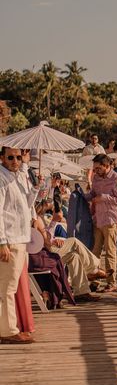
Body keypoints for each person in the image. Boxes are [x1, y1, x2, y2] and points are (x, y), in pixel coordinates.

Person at [34, 201, 104, 302]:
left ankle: (81, 292)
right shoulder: (37, 219)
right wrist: (54, 221)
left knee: (74, 256)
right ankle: (93, 268)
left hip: (43, 253)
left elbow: (45, 239)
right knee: (74, 241)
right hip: (44, 255)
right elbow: (46, 243)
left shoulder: (38, 218)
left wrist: (54, 239)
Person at [0, 146, 34, 344]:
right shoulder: (2, 179)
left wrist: (36, 189)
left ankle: (9, 327)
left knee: (9, 286)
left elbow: (26, 205)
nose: (15, 161)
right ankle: (8, 330)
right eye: (10, 157)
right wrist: (2, 242)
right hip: (10, 240)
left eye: (18, 157)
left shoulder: (16, 176)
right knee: (7, 288)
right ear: (2, 158)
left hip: (20, 238)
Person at [87, 153, 117, 293]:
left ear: (107, 166)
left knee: (110, 252)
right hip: (98, 219)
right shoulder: (96, 178)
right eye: (94, 169)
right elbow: (93, 193)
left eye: (98, 168)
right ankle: (95, 281)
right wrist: (83, 196)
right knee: (95, 252)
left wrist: (104, 197)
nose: (95, 171)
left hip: (111, 219)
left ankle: (111, 283)